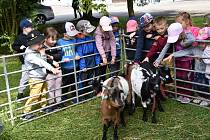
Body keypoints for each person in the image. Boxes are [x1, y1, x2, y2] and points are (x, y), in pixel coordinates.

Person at [163, 27, 210, 106]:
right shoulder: (195, 48)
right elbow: (185, 51)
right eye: (199, 42)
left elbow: (207, 60)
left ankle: (207, 98)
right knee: (196, 84)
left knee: (202, 85)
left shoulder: (208, 50)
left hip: (206, 72)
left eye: (204, 42)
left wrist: (202, 57)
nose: (201, 44)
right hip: (197, 71)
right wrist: (173, 54)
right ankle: (201, 96)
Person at [22, 31, 60, 121]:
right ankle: (25, 113)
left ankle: (44, 107)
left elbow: (42, 58)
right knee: (35, 95)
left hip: (41, 76)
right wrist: (52, 69)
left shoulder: (35, 50)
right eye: (38, 44)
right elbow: (41, 62)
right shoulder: (29, 55)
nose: (41, 46)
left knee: (43, 93)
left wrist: (45, 55)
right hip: (35, 78)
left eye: (41, 43)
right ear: (31, 44)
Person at [76, 20, 100, 100]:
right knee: (83, 79)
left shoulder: (90, 38)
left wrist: (97, 61)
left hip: (91, 60)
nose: (89, 32)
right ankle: (81, 96)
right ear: (81, 31)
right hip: (84, 61)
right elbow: (80, 54)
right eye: (87, 30)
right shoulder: (78, 41)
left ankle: (89, 93)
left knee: (90, 77)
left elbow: (95, 50)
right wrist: (83, 66)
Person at [57, 22, 80, 103]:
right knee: (66, 82)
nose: (73, 35)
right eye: (71, 34)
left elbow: (76, 49)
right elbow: (58, 54)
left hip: (75, 65)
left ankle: (75, 96)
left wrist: (77, 54)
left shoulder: (74, 40)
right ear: (65, 34)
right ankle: (63, 96)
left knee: (75, 82)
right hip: (66, 67)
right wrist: (63, 58)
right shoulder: (59, 42)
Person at [12, 18, 33, 100]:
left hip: (35, 60)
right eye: (30, 27)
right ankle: (20, 93)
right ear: (24, 28)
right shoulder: (20, 37)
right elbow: (14, 46)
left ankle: (37, 90)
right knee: (24, 77)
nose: (32, 28)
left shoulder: (32, 35)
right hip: (25, 62)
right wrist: (20, 48)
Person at [43, 27, 63, 109]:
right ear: (46, 38)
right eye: (52, 39)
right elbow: (44, 58)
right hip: (49, 72)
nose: (54, 41)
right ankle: (51, 103)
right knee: (50, 87)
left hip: (58, 70)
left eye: (55, 39)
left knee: (58, 86)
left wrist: (51, 56)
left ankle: (58, 101)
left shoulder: (57, 45)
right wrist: (51, 59)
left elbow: (60, 55)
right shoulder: (43, 47)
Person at [94, 16, 116, 81]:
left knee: (104, 71)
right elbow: (99, 45)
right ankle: (98, 87)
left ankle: (104, 84)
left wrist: (113, 56)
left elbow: (113, 42)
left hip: (107, 52)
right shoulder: (98, 33)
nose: (106, 30)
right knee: (99, 72)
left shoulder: (109, 31)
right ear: (100, 26)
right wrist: (103, 57)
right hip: (99, 55)